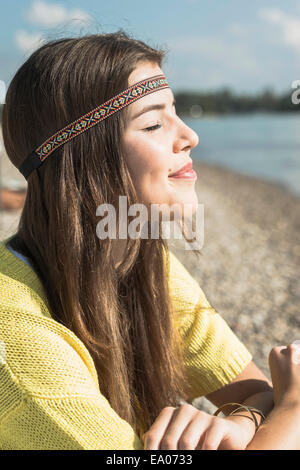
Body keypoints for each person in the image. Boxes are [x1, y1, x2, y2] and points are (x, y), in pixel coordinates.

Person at [0, 31, 297, 450]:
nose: (190, 136)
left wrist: (244, 421)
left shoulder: (142, 261)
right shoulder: (13, 331)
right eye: (155, 123)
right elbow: (280, 400)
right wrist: (295, 407)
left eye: (176, 114)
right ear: (83, 158)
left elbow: (254, 390)